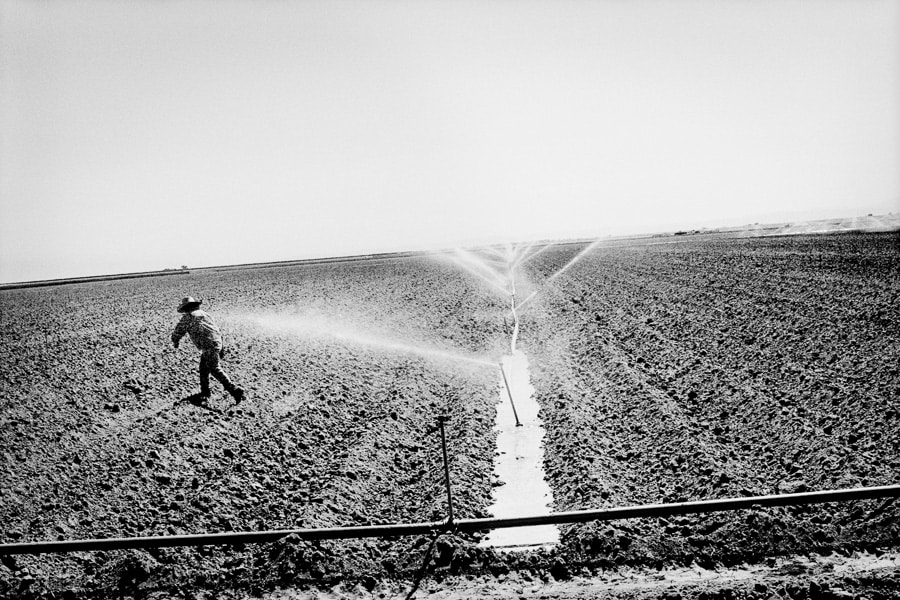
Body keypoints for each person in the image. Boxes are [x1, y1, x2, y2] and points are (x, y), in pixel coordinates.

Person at [171, 296, 245, 403]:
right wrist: (222, 347)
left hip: (207, 345)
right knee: (203, 368)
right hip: (216, 342)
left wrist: (175, 340)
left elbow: (179, 330)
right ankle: (205, 391)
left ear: (186, 308)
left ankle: (233, 389)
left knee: (214, 368)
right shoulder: (206, 315)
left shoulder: (189, 317)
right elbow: (216, 330)